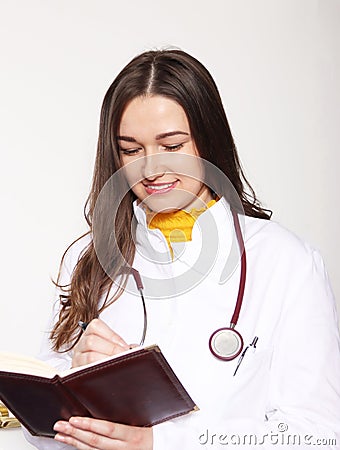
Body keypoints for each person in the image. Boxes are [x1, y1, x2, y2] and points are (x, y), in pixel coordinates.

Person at [24, 49, 340, 450]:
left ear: (209, 141)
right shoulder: (90, 259)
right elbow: (43, 435)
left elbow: (317, 434)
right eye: (131, 149)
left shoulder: (285, 261)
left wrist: (162, 442)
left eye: (171, 145)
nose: (150, 170)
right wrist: (73, 379)